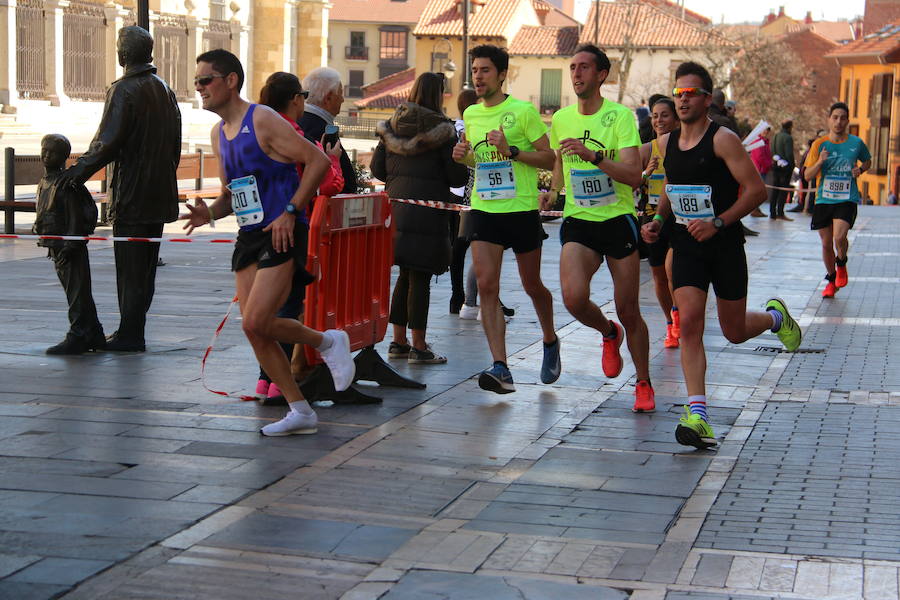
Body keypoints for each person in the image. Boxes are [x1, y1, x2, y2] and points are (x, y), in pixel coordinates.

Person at [181, 49, 355, 436]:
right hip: (249, 234)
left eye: (206, 80)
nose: (199, 88)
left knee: (259, 319)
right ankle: (300, 410)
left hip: (282, 230)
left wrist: (291, 211)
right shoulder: (218, 133)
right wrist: (209, 213)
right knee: (253, 328)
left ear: (230, 81)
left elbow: (318, 162)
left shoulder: (261, 119)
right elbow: (231, 195)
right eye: (196, 82)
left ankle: (328, 342)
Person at [641, 62, 801, 449]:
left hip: (724, 245)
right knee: (691, 323)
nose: (682, 100)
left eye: (690, 93)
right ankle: (698, 415)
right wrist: (659, 222)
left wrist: (719, 222)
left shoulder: (723, 139)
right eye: (677, 93)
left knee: (733, 331)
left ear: (707, 99)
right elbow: (671, 189)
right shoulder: (668, 144)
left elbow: (755, 191)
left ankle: (776, 317)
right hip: (686, 246)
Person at [539, 45, 653, 411]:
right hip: (579, 220)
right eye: (572, 67)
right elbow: (559, 160)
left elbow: (634, 175)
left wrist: (595, 156)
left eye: (584, 67)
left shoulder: (620, 118)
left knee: (628, 308)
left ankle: (644, 383)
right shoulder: (562, 119)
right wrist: (552, 191)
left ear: (601, 74)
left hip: (617, 219)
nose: (576, 74)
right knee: (572, 298)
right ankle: (608, 333)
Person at [57, 26, 181, 352]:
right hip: (158, 194)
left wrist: (75, 175)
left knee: (130, 268)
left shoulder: (125, 90)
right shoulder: (165, 90)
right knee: (146, 268)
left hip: (133, 194)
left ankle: (130, 334)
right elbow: (174, 146)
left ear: (122, 55)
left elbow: (106, 142)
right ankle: (133, 329)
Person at [452, 44, 559, 393]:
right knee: (486, 285)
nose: (477, 77)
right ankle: (501, 366)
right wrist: (463, 157)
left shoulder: (523, 111)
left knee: (532, 285)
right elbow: (478, 163)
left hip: (522, 208)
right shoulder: (471, 114)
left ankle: (549, 338)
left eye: (484, 70)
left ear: (501, 74)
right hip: (485, 206)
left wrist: (512, 150)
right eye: (474, 71)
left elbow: (548, 158)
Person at [253, 71, 346, 403]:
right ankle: (284, 380)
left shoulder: (256, 129)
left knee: (262, 311)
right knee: (286, 306)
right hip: (290, 226)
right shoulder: (291, 133)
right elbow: (325, 183)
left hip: (259, 227)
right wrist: (332, 161)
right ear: (295, 100)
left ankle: (265, 380)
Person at [371, 72, 469, 364]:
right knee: (421, 279)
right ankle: (419, 346)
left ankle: (398, 342)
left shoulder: (390, 127)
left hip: (397, 210)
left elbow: (377, 169)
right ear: (438, 95)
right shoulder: (443, 130)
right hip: (427, 213)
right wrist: (461, 158)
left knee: (404, 275)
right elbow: (456, 177)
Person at [33, 134, 105, 355]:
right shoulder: (45, 182)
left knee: (77, 291)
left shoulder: (65, 184)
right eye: (44, 150)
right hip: (56, 245)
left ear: (64, 157)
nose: (46, 155)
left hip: (68, 247)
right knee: (75, 290)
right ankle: (93, 331)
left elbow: (75, 217)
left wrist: (71, 245)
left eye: (52, 152)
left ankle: (79, 334)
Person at [804, 102, 872, 299]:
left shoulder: (856, 143)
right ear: (829, 119)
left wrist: (861, 169)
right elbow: (808, 175)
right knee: (826, 244)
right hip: (824, 199)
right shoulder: (819, 144)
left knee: (839, 238)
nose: (838, 121)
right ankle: (832, 280)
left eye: (843, 118)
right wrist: (820, 161)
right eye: (835, 117)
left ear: (847, 121)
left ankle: (841, 263)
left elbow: (867, 160)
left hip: (846, 198)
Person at [639, 96, 681, 350]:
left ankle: (678, 316)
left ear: (676, 119)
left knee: (671, 270)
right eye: (655, 115)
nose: (659, 120)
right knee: (658, 277)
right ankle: (669, 323)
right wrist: (646, 173)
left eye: (664, 115)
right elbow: (630, 181)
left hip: (677, 218)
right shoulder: (647, 149)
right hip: (651, 217)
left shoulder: (681, 147)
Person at [299, 67, 357, 194]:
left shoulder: (300, 122)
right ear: (328, 98)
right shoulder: (320, 130)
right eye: (340, 93)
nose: (342, 99)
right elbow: (340, 184)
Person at [770, 119, 795, 221]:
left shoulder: (775, 136)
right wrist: (792, 164)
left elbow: (772, 150)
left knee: (775, 189)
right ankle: (780, 212)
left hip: (776, 165)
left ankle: (772, 212)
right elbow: (789, 153)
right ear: (790, 127)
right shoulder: (788, 138)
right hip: (785, 167)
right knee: (783, 191)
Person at [749, 127, 773, 218]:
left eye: (767, 131)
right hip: (759, 169)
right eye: (764, 130)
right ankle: (754, 209)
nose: (765, 132)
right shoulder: (758, 141)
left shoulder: (765, 141)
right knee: (758, 190)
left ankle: (756, 208)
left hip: (763, 169)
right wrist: (768, 164)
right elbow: (759, 156)